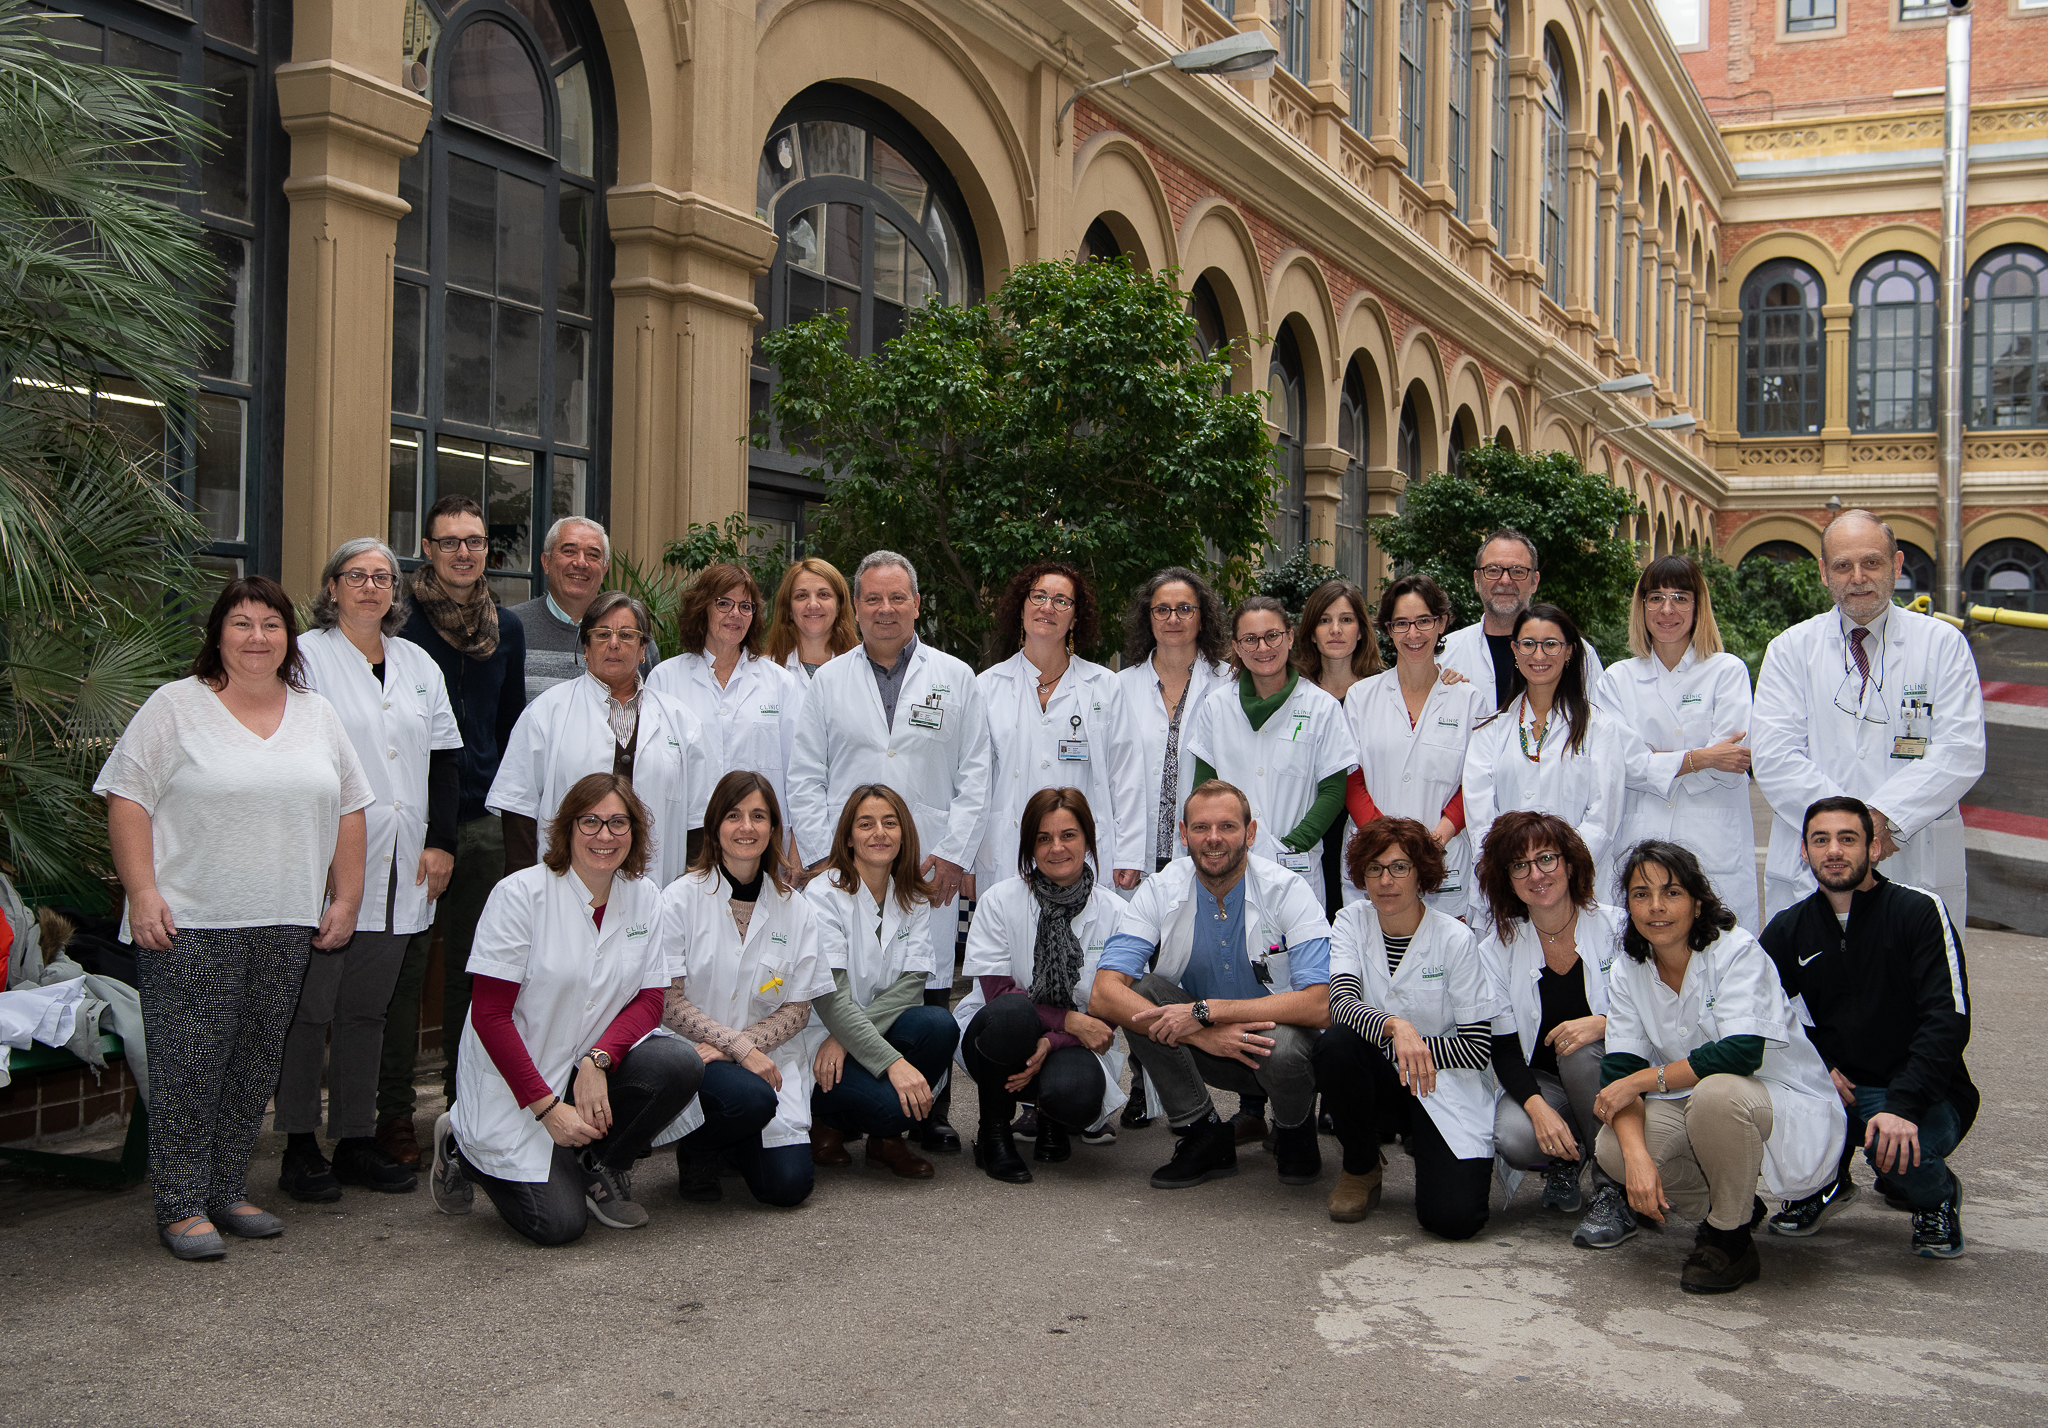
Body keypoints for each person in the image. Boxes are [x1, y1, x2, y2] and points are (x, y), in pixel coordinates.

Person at [95, 577, 373, 1260]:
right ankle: (180, 1204)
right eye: (242, 624)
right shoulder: (175, 707)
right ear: (218, 634)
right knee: (190, 1066)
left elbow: (349, 809)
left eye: (271, 625)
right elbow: (127, 799)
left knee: (252, 1064)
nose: (257, 637)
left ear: (289, 637)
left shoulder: (316, 713)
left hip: (284, 919)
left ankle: (225, 1189)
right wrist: (142, 892)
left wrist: (346, 898)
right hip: (189, 921)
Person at [431, 774, 703, 1244]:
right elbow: (489, 1016)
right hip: (517, 1086)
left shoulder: (645, 899)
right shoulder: (520, 896)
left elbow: (650, 998)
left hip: (583, 1071)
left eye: (619, 823)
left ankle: (599, 1166)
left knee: (678, 1063)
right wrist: (546, 1108)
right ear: (566, 828)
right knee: (558, 1226)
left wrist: (598, 1059)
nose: (605, 835)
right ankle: (460, 1145)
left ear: (635, 833)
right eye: (591, 821)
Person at [786, 550, 992, 1152]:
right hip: (847, 859)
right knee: (844, 981)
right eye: (872, 599)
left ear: (917, 604)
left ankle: (928, 1115)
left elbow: (976, 771)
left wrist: (954, 854)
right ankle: (839, 1114)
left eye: (897, 597)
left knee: (925, 989)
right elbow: (805, 774)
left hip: (926, 863)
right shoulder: (829, 680)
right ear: (856, 606)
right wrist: (826, 856)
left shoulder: (955, 677)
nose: (884, 609)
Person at [281, 538, 461, 1201]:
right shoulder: (303, 658)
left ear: (396, 591)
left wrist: (442, 842)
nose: (369, 587)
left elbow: (445, 759)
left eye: (382, 577)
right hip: (328, 861)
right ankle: (300, 1144)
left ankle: (355, 1138)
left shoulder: (417, 664)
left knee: (368, 1010)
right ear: (332, 587)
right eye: (356, 576)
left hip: (404, 861)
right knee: (310, 1008)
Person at [1592, 841, 1846, 1294]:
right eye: (1639, 894)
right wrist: (1636, 1159)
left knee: (1717, 1094)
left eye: (1671, 893)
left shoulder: (1736, 952)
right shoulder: (1630, 968)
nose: (1655, 907)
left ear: (1697, 901)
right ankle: (1731, 1205)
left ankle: (1729, 1240)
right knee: (1613, 1148)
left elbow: (1741, 1054)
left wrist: (1643, 1079)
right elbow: (1621, 1069)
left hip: (1772, 1094)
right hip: (1691, 1098)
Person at [379, 493, 527, 1172]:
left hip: (484, 824)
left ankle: (464, 1110)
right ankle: (392, 1119)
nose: (464, 552)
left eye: (474, 541)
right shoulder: (397, 624)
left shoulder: (509, 628)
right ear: (427, 549)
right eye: (449, 541)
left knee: (478, 978)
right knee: (403, 981)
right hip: (413, 826)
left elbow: (508, 723)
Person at [1089, 781, 1332, 1191]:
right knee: (1144, 995)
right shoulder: (1161, 888)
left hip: (1278, 1049)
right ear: (1183, 835)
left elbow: (1322, 1003)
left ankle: (1293, 1127)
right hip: (1206, 1046)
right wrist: (1205, 1036)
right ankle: (1202, 1132)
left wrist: (1209, 1014)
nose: (1214, 839)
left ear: (1250, 833)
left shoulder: (1288, 890)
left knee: (1288, 1046)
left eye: (1228, 827)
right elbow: (1103, 992)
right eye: (1201, 828)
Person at [1759, 796, 1974, 1257]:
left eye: (1848, 839)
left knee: (1891, 1150)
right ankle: (1826, 1183)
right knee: (1753, 1103)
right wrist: (1817, 1066)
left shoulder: (1918, 911)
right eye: (1821, 840)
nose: (1834, 850)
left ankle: (1937, 1198)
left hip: (1922, 1093)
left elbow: (1948, 1019)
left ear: (1874, 848)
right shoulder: (1789, 928)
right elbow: (1760, 1011)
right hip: (1836, 1087)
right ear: (1805, 852)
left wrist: (1902, 1103)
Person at [1751, 510, 1985, 927]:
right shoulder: (1789, 650)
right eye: (1843, 565)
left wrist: (1883, 818)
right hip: (1816, 869)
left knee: (1915, 984)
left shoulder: (1943, 645)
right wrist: (1847, 833)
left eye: (1871, 562)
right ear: (1825, 572)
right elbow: (1775, 756)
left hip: (1913, 853)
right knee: (1817, 987)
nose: (1857, 577)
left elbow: (1961, 751)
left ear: (1896, 565)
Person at [1313, 818, 1503, 1238]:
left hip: (1443, 1084)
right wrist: (1396, 1027)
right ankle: (1361, 1166)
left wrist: (1414, 1048)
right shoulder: (1350, 921)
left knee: (1454, 1221)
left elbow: (1475, 1048)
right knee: (1336, 1046)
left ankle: (1431, 1149)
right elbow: (1341, 1004)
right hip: (1381, 1083)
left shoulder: (1455, 939)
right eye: (1375, 868)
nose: (1386, 880)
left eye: (1400, 867)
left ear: (1422, 874)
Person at [656, 772, 831, 1207]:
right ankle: (698, 1148)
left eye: (758, 816)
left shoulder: (795, 908)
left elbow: (797, 1010)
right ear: (715, 825)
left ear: (773, 827)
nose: (746, 827)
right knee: (747, 1100)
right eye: (733, 816)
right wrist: (734, 1045)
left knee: (788, 1188)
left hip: (765, 1060)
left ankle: (731, 1140)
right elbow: (668, 1002)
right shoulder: (679, 899)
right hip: (697, 1056)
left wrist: (743, 1047)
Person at [957, 788, 1131, 1184]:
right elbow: (998, 993)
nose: (1057, 848)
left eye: (1068, 835)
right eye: (1043, 838)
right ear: (1029, 847)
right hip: (998, 1039)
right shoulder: (1000, 901)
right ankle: (994, 1134)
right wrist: (1068, 1021)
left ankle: (1053, 1120)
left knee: (1077, 1093)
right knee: (1015, 1014)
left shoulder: (1118, 914)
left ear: (1088, 839)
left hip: (1075, 1045)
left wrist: (1054, 1040)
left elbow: (1109, 1015)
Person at [1469, 812, 1629, 1233]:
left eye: (1546, 859)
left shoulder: (1619, 928)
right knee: (1515, 1136)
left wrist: (1605, 1023)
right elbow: (1501, 1045)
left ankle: (1613, 1186)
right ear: (1507, 879)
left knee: (1579, 1053)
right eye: (1519, 865)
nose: (1535, 874)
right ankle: (1566, 1155)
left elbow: (1658, 1011)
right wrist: (1537, 1108)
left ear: (1571, 864)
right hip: (1543, 1081)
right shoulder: (1497, 949)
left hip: (1615, 1076)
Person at [1113, 566, 1233, 1130]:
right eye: (1162, 609)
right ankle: (1141, 1082)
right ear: (1148, 618)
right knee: (1140, 972)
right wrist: (1121, 849)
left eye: (1185, 608)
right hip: (1138, 854)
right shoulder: (1122, 685)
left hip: (1201, 851)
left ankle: (1197, 1087)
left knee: (1189, 971)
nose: (1174, 619)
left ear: (1202, 616)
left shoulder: (1228, 682)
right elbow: (1112, 775)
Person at [487, 592, 707, 887]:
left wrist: (689, 892)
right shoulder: (546, 712)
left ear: (643, 649)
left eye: (627, 635)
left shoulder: (680, 721)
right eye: (602, 634)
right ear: (586, 646)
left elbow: (698, 821)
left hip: (655, 888)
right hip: (562, 886)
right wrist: (524, 889)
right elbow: (518, 807)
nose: (614, 644)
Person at [1598, 555, 1759, 932]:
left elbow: (1732, 762)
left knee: (1722, 959)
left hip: (1713, 844)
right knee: (1644, 965)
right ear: (1641, 607)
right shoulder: (1616, 679)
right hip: (1641, 838)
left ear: (1698, 606)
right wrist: (1702, 757)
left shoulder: (1726, 671)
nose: (1666, 609)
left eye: (1680, 597)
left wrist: (1657, 763)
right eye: (1655, 597)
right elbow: (1620, 765)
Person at [806, 784, 960, 1179]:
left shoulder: (912, 896)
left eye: (890, 823)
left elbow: (911, 986)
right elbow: (830, 997)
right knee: (891, 1106)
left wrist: (846, 1039)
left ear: (903, 833)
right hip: (819, 1046)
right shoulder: (823, 894)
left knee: (939, 1025)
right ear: (848, 838)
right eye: (866, 824)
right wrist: (892, 1062)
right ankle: (827, 1120)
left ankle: (885, 1141)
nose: (879, 833)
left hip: (842, 1041)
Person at [976, 562, 1144, 896]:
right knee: (1012, 939)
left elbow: (1126, 774)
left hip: (1083, 853)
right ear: (1021, 607)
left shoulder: (1103, 686)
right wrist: (967, 857)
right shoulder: (986, 687)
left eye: (1061, 601)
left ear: (1075, 618)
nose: (1047, 607)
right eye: (1038, 596)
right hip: (1008, 852)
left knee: (1085, 942)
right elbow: (972, 780)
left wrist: (1130, 852)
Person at [1187, 597, 1358, 912]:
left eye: (1272, 636)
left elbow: (1333, 793)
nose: (1262, 647)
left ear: (1290, 637)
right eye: (1250, 639)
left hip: (1295, 865)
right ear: (1237, 647)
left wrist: (1290, 847)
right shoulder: (1216, 706)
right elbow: (1203, 790)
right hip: (1227, 863)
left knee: (1293, 955)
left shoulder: (1322, 707)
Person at [1462, 603, 1628, 919]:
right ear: (1514, 649)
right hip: (1509, 893)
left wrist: (1556, 872)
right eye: (1528, 644)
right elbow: (1482, 820)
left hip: (1579, 890)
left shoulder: (1600, 729)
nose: (1539, 656)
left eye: (1551, 644)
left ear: (1569, 652)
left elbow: (1604, 818)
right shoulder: (1490, 732)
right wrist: (1521, 873)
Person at [1342, 574, 1487, 912]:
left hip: (1443, 855)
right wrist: (1386, 841)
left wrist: (1436, 838)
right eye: (1401, 623)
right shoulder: (1361, 697)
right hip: (1373, 856)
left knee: (1442, 959)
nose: (1413, 634)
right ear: (1388, 629)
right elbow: (1350, 776)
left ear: (1442, 623)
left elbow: (1476, 782)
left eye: (1424, 621)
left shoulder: (1468, 700)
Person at [647, 562, 803, 861]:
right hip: (688, 841)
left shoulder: (780, 682)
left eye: (746, 606)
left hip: (761, 843)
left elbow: (797, 772)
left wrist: (796, 845)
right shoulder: (665, 679)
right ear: (702, 608)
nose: (735, 614)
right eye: (723, 603)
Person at [1294, 579, 1383, 920]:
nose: (1335, 630)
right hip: (1306, 830)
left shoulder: (1386, 692)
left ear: (1361, 630)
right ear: (1311, 631)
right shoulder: (1291, 693)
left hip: (1366, 828)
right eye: (1324, 620)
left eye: (1346, 619)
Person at [1440, 529, 1604, 709]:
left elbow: (1599, 725)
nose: (1505, 580)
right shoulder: (1444, 653)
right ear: (1477, 580)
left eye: (1517, 571)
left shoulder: (1576, 654)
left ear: (1535, 581)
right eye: (1493, 570)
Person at [505, 516, 657, 699]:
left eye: (593, 555)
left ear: (604, 569)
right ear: (546, 562)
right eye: (569, 551)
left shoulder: (631, 634)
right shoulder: (510, 629)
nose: (581, 563)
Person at [767, 557, 859, 686]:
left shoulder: (863, 669)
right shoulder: (764, 672)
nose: (813, 604)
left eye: (824, 595)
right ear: (788, 609)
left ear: (839, 606)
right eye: (801, 596)